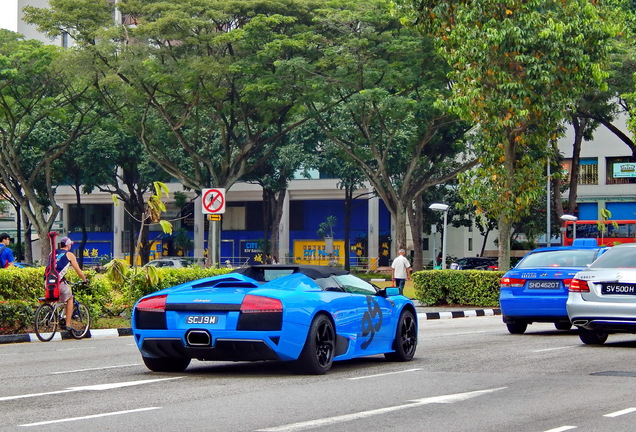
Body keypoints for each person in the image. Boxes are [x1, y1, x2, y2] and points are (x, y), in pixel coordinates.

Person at [55, 236, 88, 331]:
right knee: (70, 298)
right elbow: (79, 271)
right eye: (70, 244)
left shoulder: (52, 253)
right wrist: (85, 280)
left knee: (53, 297)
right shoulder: (69, 254)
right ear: (67, 245)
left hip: (47, 281)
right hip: (58, 282)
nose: (70, 246)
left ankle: (52, 313)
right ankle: (68, 324)